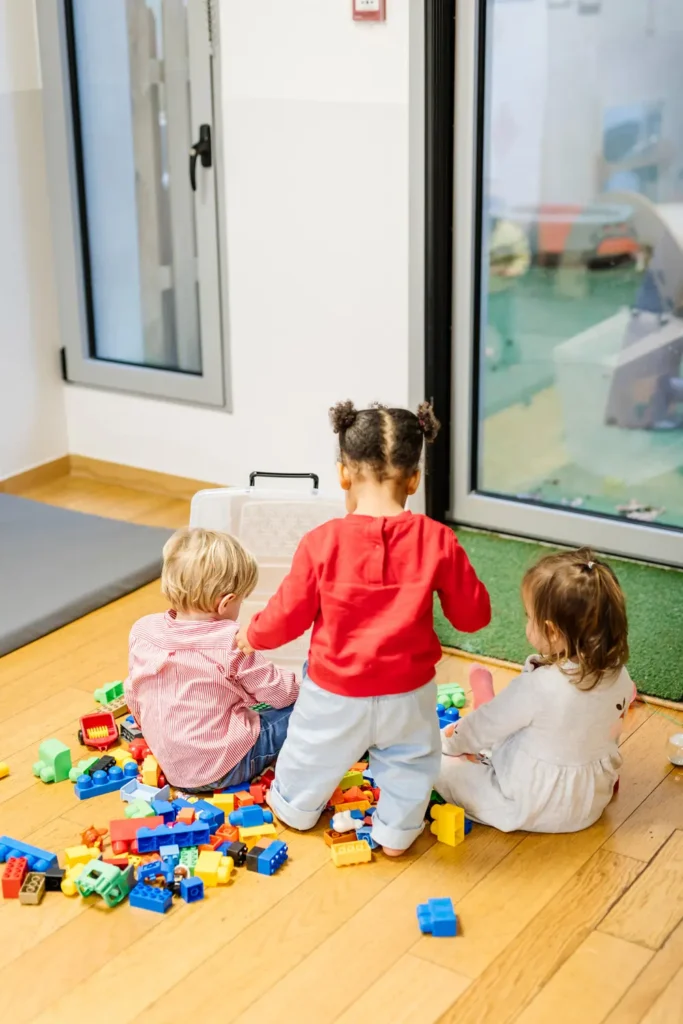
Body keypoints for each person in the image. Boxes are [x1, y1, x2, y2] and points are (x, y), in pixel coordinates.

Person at [236, 402, 491, 856]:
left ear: (343, 474)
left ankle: (295, 807)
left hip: (334, 694)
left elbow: (287, 615)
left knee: (310, 751)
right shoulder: (438, 539)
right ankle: (396, 832)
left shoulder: (322, 542)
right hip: (408, 695)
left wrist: (251, 635)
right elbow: (473, 617)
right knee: (411, 763)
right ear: (414, 478)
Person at [437, 548, 633, 833]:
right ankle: (485, 701)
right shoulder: (620, 675)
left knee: (441, 766)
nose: (526, 623)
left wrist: (448, 744)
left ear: (552, 631)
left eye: (529, 616)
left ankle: (480, 704)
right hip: (589, 803)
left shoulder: (539, 687)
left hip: (531, 805)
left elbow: (483, 727)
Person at [123, 527, 299, 792]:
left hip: (173, 766)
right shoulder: (230, 641)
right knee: (304, 709)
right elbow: (281, 693)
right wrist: (307, 685)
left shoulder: (144, 631)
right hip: (226, 766)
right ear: (225, 603)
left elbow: (133, 692)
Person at [487, 208, 531, 370]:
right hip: (469, 294)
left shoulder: (510, 233)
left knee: (506, 329)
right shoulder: (464, 228)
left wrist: (510, 271)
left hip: (501, 291)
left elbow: (522, 257)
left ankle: (510, 359)